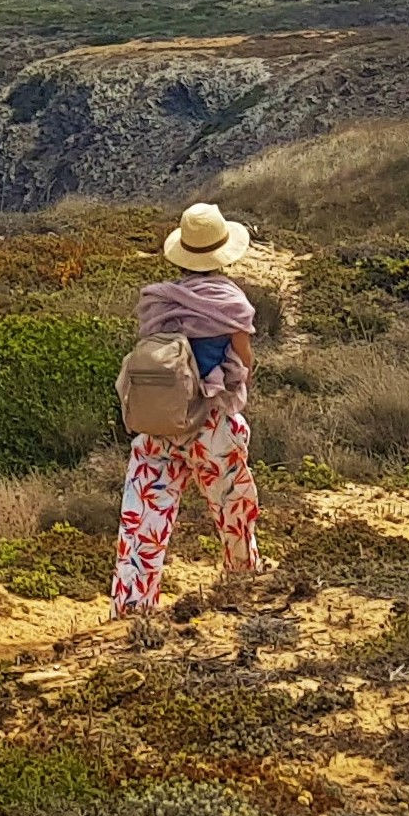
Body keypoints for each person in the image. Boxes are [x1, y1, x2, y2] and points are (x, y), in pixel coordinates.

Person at [111, 204, 263, 615]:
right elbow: (244, 363)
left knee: (143, 517)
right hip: (212, 424)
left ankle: (131, 607)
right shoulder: (230, 302)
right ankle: (244, 583)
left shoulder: (158, 301)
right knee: (232, 506)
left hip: (157, 423)